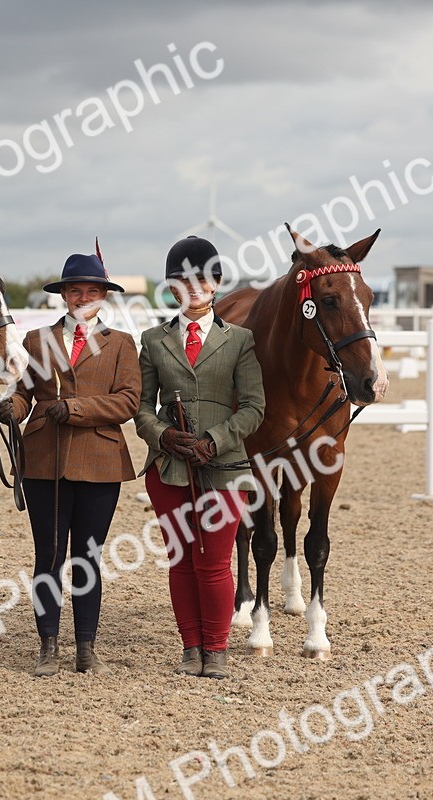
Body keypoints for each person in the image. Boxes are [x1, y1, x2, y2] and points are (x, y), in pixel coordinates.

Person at [0, 248, 140, 677]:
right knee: (49, 555)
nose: (83, 297)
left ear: (103, 297)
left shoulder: (121, 345)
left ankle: (86, 647)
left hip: (99, 462)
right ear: (64, 296)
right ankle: (47, 645)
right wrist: (13, 406)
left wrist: (76, 410)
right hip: (45, 460)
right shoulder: (37, 341)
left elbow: (128, 401)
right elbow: (26, 392)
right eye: (75, 290)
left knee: (88, 557)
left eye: (91, 291)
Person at [135, 236, 265, 680]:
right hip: (168, 469)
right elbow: (140, 407)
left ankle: (218, 648)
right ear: (171, 286)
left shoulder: (240, 340)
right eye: (182, 280)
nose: (193, 287)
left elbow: (253, 406)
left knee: (214, 560)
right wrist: (165, 435)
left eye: (202, 279)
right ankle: (191, 647)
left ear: (216, 283)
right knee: (182, 560)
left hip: (224, 468)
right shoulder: (153, 340)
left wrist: (214, 439)